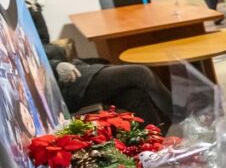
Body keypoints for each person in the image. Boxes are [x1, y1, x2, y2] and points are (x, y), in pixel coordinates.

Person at [43, 43, 173, 133]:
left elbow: (42, 41)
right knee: (139, 73)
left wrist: (35, 7)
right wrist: (54, 66)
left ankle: (157, 145)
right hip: (57, 86)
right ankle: (182, 119)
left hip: (71, 70)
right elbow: (27, 55)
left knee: (134, 95)